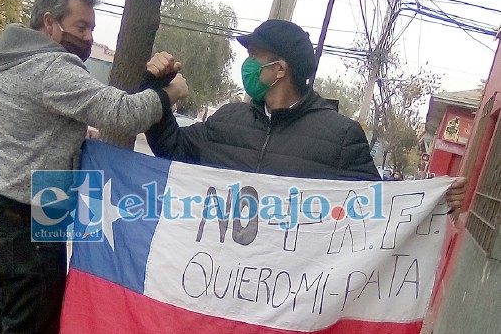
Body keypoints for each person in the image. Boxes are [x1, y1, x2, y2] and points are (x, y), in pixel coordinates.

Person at [0, 0, 187, 334]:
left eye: (91, 27)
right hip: (33, 218)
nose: (89, 36)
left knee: (3, 318)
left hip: (11, 207)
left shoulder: (11, 61)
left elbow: (34, 126)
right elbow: (121, 113)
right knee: (32, 325)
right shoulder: (50, 68)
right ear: (49, 23)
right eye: (81, 26)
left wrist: (75, 136)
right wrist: (168, 94)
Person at [146, 19, 466, 209]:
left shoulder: (340, 139)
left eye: (254, 56)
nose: (246, 65)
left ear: (279, 69)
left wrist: (435, 203)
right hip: (216, 285)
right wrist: (157, 89)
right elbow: (170, 147)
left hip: (285, 303)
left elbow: (378, 212)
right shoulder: (227, 120)